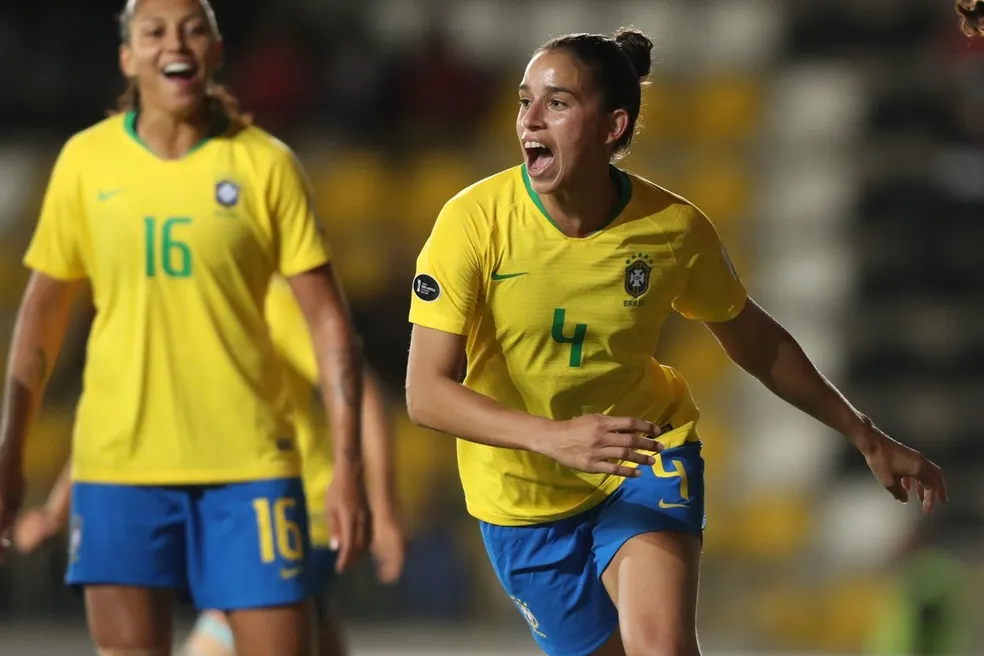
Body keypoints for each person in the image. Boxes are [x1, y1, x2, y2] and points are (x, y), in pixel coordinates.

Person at [405, 27, 947, 656]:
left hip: (644, 453)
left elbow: (756, 341)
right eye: (525, 101)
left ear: (612, 126)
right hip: (520, 498)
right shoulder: (472, 221)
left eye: (556, 102)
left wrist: (865, 435)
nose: (530, 119)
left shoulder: (674, 229)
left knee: (662, 648)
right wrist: (553, 438)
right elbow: (426, 393)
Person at [0, 1, 369, 655]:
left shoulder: (265, 164)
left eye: (195, 28)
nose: (178, 42)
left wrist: (347, 468)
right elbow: (41, 320)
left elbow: (329, 327)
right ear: (128, 56)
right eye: (156, 30)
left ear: (217, 51)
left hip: (250, 468)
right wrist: (10, 453)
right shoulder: (86, 163)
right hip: (118, 468)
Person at [14, 276, 406, 656]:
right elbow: (114, 421)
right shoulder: (160, 320)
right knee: (307, 634)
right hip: (234, 517)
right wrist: (54, 510)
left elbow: (360, 389)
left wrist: (383, 509)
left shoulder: (265, 296)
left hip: (296, 512)